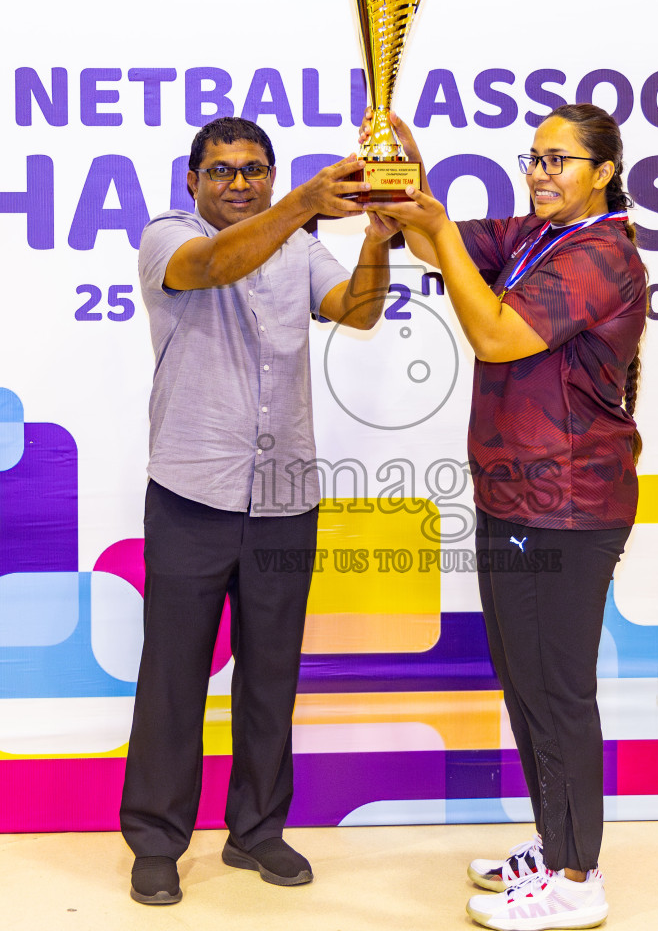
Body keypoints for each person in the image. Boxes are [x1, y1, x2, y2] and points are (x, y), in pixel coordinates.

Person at [369, 103, 646, 931]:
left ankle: (577, 880)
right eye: (533, 157)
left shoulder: (601, 256)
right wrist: (405, 171)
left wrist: (433, 224)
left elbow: (493, 334)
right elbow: (432, 240)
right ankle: (552, 838)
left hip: (567, 506)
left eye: (559, 160)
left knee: (559, 692)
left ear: (603, 172)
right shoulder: (535, 235)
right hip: (513, 496)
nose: (539, 171)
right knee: (524, 683)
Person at [122, 116, 394, 905]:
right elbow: (213, 266)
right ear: (192, 182)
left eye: (254, 171)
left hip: (284, 500)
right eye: (221, 171)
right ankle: (155, 840)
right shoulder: (167, 238)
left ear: (269, 177)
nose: (238, 184)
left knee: (271, 675)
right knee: (173, 677)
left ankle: (257, 832)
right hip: (190, 495)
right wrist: (306, 202)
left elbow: (359, 309)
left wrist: (377, 237)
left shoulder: (298, 247)